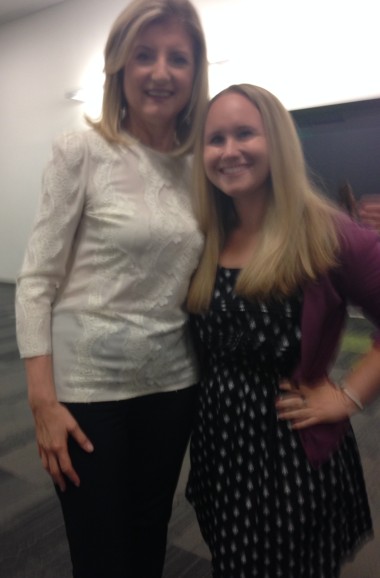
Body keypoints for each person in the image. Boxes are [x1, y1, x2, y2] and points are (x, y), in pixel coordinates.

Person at [15, 1, 208, 577]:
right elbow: (35, 282)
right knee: (101, 550)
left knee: (149, 536)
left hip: (173, 385)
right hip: (88, 391)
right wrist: (42, 401)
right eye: (144, 55)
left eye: (178, 57)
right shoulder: (82, 151)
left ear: (196, 73)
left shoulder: (200, 165)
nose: (160, 71)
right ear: (119, 67)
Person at [185, 83, 380, 578]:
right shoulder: (208, 236)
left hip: (288, 457)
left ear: (277, 141)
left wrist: (350, 396)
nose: (229, 151)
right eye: (216, 139)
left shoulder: (327, 233)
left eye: (245, 134)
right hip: (221, 449)